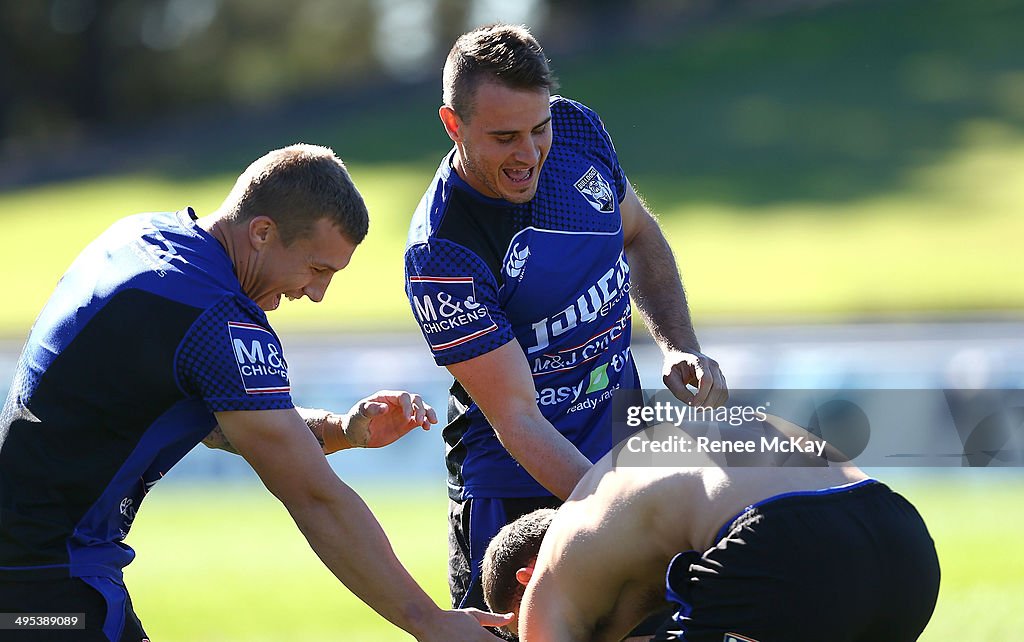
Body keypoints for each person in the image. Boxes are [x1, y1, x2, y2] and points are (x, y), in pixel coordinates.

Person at [0, 144, 508, 642]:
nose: (316, 293)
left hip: (29, 574)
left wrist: (338, 431)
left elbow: (219, 427)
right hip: (51, 587)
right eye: (317, 269)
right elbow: (315, 497)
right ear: (262, 232)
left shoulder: (141, 238)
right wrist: (429, 621)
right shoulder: (216, 318)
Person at [403, 23, 729, 617]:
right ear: (453, 125)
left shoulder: (577, 129)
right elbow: (517, 420)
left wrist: (679, 346)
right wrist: (623, 510)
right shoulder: (442, 250)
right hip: (516, 495)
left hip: (624, 455)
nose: (529, 154)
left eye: (538, 127)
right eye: (504, 137)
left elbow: (639, 233)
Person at [482, 416, 941, 641]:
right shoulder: (609, 509)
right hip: (901, 537)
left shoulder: (553, 568)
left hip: (789, 542)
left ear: (525, 578)